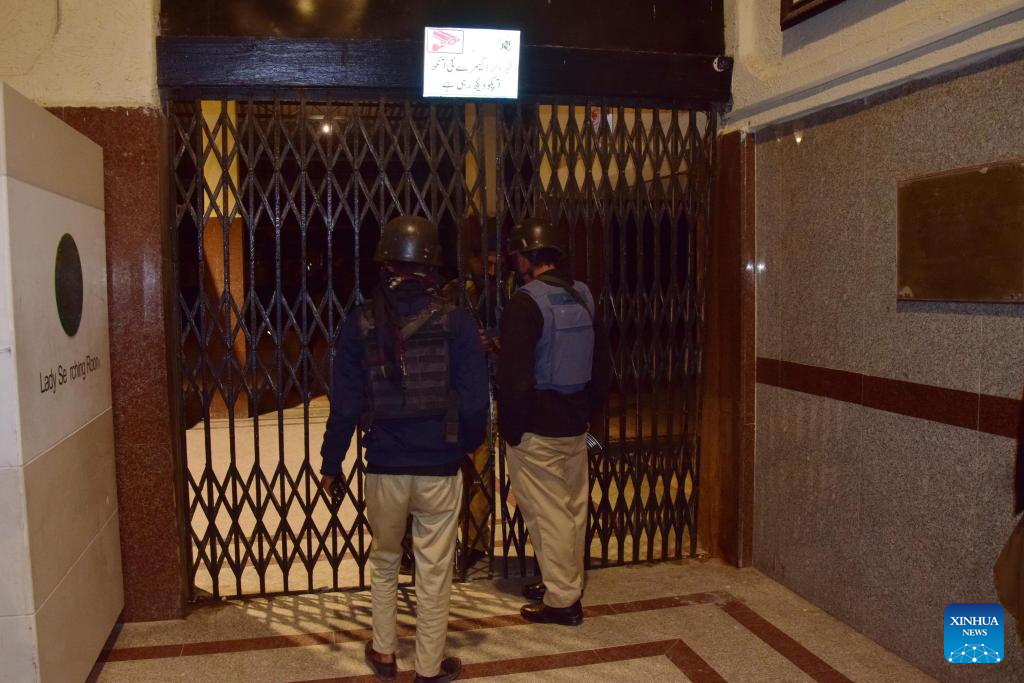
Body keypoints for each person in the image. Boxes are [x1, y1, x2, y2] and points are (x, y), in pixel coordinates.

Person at [320, 216, 488, 683]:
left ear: (385, 263)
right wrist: (466, 446)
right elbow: (476, 402)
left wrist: (331, 463)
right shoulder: (456, 322)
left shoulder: (360, 322)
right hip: (439, 467)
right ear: (433, 265)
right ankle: (429, 668)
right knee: (434, 571)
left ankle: (384, 652)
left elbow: (345, 404)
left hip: (384, 467)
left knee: (385, 559)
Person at [495, 219, 611, 626]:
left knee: (548, 514)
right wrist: (587, 412)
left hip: (537, 427)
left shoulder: (525, 302)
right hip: (574, 422)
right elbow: (602, 364)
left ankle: (563, 601)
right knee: (573, 509)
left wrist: (511, 429)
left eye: (517, 257)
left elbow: (515, 377)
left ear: (526, 258)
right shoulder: (583, 295)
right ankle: (562, 581)